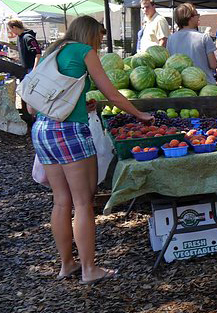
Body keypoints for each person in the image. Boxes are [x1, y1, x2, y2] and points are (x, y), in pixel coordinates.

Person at [31, 16, 152, 284]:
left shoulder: (53, 51)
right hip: (70, 133)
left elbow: (33, 106)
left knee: (61, 201)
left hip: (42, 131)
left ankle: (67, 265)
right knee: (84, 202)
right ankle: (89, 269)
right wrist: (140, 115)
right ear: (91, 35)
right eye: (99, 38)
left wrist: (77, 106)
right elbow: (113, 95)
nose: (99, 43)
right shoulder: (84, 51)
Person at [167, 3, 217, 85]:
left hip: (181, 86)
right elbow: (213, 65)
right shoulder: (204, 37)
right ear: (190, 17)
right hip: (205, 85)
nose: (199, 17)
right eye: (197, 14)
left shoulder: (171, 39)